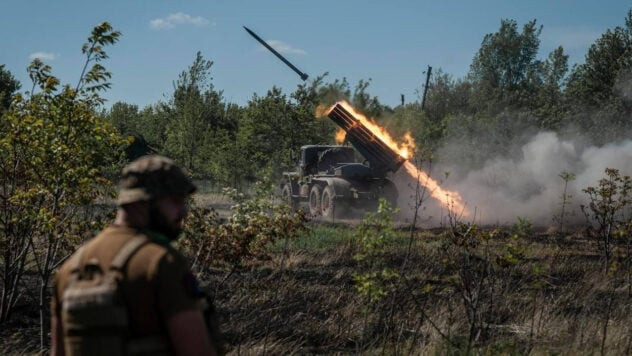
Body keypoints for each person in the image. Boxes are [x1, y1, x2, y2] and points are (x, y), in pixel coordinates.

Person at [51, 155, 220, 356]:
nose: (183, 212)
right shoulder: (160, 262)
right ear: (142, 202)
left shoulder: (70, 269)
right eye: (175, 201)